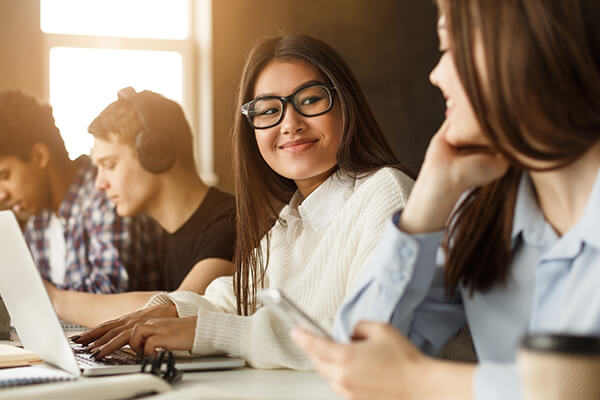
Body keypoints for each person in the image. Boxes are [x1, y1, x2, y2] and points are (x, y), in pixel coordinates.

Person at [292, 0, 600, 398]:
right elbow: (358, 360)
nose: (437, 75)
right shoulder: (480, 212)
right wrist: (426, 205)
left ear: (524, 46)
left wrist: (419, 380)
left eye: (450, 46)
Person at [73, 34, 414, 369]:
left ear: (346, 104)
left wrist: (208, 331)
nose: (290, 124)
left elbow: (365, 340)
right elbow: (235, 297)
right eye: (268, 110)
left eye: (310, 100)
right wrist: (169, 310)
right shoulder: (293, 217)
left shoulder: (386, 194)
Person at [45, 89, 236, 327]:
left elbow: (177, 311)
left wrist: (52, 299)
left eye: (110, 165)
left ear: (156, 153)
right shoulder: (155, 233)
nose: (99, 183)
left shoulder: (230, 223)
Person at [0, 90, 163, 296]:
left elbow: (109, 295)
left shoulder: (109, 195)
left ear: (40, 156)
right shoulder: (37, 218)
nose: (1, 195)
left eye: (4, 176)